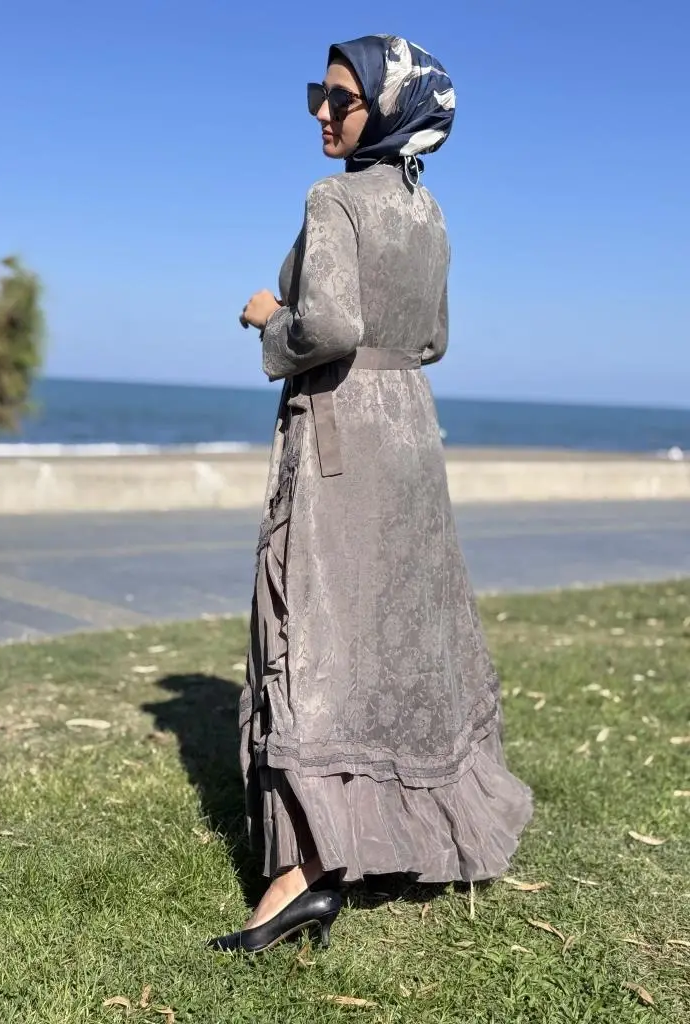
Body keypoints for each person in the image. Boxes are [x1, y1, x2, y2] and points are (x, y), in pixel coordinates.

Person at [208, 33, 533, 954]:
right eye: (317, 94)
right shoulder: (429, 213)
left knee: (315, 632)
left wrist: (270, 321)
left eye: (342, 100)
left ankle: (301, 874)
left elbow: (330, 326)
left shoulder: (334, 200)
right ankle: (382, 840)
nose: (322, 112)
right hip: (409, 434)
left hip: (342, 434)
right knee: (393, 636)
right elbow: (433, 339)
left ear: (388, 111)